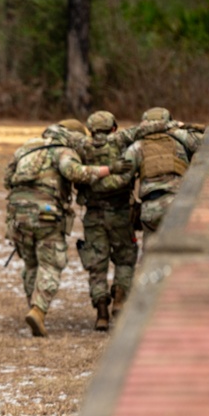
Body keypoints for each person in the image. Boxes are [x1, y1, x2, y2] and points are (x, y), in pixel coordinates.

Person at [4, 122, 131, 337]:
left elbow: (8, 179)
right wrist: (109, 169)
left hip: (18, 215)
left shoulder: (27, 147)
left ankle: (33, 305)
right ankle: (38, 310)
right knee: (50, 263)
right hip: (47, 215)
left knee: (31, 263)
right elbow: (75, 172)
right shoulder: (64, 151)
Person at [75, 110, 139, 331]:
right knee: (125, 258)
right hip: (121, 213)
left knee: (96, 264)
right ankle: (120, 300)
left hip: (93, 215)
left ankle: (101, 311)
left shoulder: (81, 148)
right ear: (113, 128)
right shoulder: (123, 144)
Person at [122, 107, 204, 236]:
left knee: (151, 252)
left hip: (151, 208)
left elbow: (122, 179)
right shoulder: (181, 141)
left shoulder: (137, 147)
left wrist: (133, 207)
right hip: (179, 203)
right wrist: (181, 127)